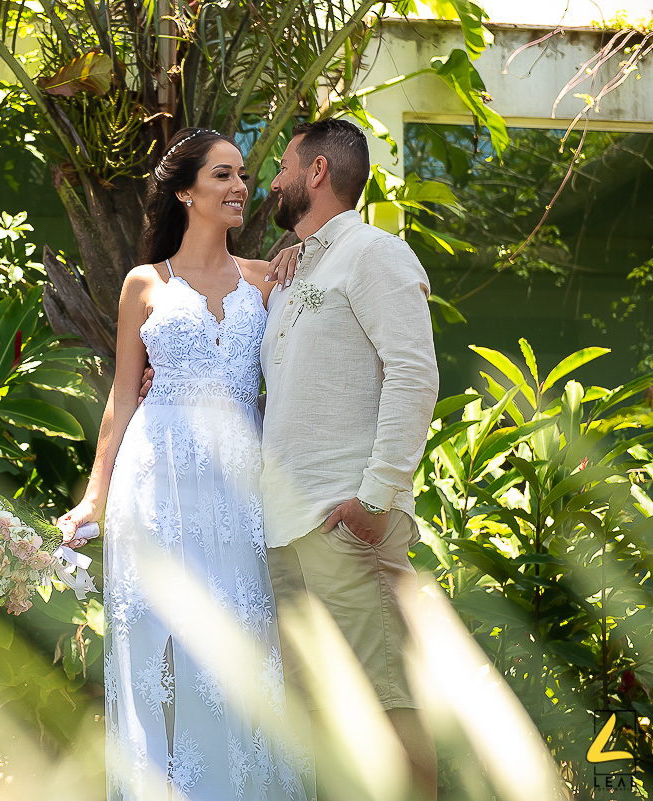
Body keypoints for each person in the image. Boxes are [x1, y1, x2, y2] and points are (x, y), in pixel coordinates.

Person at [58, 128, 308, 800]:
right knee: (159, 649)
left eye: (244, 176)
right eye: (222, 175)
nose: (239, 188)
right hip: (156, 482)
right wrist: (93, 498)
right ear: (184, 191)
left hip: (238, 490)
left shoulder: (269, 275)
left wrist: (303, 258)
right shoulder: (145, 284)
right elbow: (121, 395)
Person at [260, 119, 440, 799]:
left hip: (342, 524)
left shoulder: (374, 254)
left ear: (315, 173)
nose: (272, 181)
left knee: (390, 703)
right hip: (286, 529)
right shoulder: (301, 264)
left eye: (282, 166)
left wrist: (375, 498)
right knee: (318, 721)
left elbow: (414, 375)